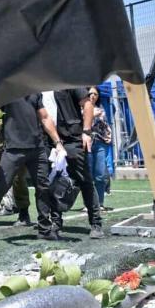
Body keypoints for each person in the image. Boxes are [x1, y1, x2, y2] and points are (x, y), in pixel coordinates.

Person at [0, 94, 65, 241]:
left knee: (43, 188)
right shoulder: (7, 91)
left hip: (37, 148)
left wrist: (58, 143)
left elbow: (45, 117)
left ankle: (45, 230)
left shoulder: (35, 92)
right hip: (13, 149)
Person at [42, 88, 105, 239]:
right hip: (50, 141)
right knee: (52, 181)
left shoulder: (68, 81)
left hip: (72, 139)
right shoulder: (39, 86)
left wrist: (87, 132)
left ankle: (96, 223)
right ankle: (56, 222)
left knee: (85, 180)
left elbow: (88, 105)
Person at [87, 86, 113, 211]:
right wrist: (90, 114)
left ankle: (100, 203)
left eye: (95, 94)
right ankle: (90, 203)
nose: (92, 96)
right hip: (87, 145)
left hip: (100, 143)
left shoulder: (101, 110)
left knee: (100, 174)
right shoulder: (80, 109)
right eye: (90, 93)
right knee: (88, 175)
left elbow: (104, 125)